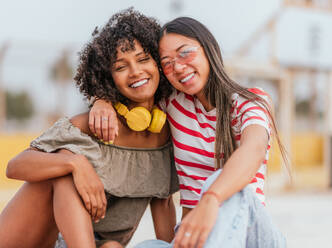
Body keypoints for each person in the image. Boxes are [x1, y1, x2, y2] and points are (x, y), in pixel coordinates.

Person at [90, 16, 289, 248]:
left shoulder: (251, 101)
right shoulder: (172, 104)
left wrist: (210, 199)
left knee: (232, 188)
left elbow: (252, 150)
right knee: (149, 246)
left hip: (249, 237)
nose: (178, 67)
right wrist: (101, 101)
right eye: (167, 62)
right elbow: (132, 89)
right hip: (193, 241)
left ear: (208, 49)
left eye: (185, 53)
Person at [0, 9, 179, 248]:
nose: (135, 71)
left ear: (159, 64)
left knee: (112, 247)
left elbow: (162, 203)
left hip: (103, 242)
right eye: (121, 67)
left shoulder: (167, 135)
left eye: (143, 60)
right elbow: (14, 167)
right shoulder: (91, 123)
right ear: (108, 78)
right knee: (65, 161)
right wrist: (75, 164)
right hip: (33, 238)